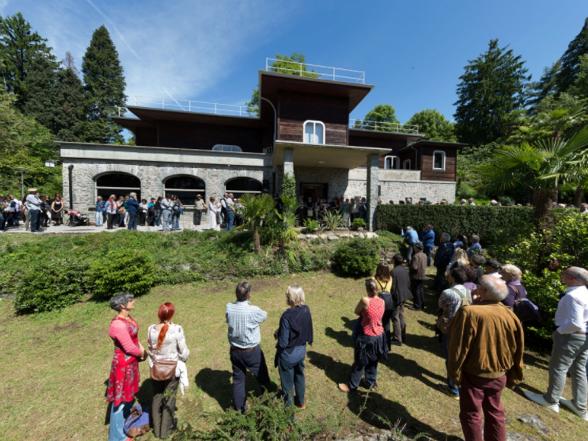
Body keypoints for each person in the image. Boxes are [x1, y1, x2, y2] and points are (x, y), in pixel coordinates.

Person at [448, 276, 525, 441]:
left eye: (478, 286)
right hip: (500, 374)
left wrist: (454, 373)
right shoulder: (510, 315)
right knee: (495, 412)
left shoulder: (470, 312)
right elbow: (519, 348)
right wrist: (514, 371)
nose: (475, 289)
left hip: (475, 373)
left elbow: (459, 347)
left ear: (484, 291)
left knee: (471, 414)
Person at [522, 267, 588, 421]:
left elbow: (575, 323)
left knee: (559, 367)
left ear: (572, 278)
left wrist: (559, 332)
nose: (562, 276)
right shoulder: (585, 293)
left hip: (571, 335)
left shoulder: (573, 296)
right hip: (584, 337)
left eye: (564, 274)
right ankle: (580, 406)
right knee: (579, 370)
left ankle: (551, 400)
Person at [106, 293, 147, 441]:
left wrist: (142, 349)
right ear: (122, 306)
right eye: (130, 300)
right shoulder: (117, 324)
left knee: (128, 397)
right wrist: (143, 353)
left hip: (132, 363)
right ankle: (117, 437)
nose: (133, 301)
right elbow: (129, 347)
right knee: (120, 402)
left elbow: (134, 339)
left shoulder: (127, 318)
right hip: (123, 365)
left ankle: (126, 426)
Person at [226, 281, 271, 412]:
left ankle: (239, 408)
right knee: (261, 374)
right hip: (251, 351)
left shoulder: (229, 307)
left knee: (238, 380)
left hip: (235, 350)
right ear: (249, 295)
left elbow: (228, 319)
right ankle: (268, 400)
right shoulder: (253, 311)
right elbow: (264, 316)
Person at [147, 302, 190, 438]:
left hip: (156, 369)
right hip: (172, 369)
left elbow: (150, 348)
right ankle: (166, 431)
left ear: (159, 314)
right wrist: (183, 358)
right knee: (169, 399)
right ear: (171, 315)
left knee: (157, 397)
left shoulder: (151, 329)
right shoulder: (177, 329)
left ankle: (157, 429)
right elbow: (183, 352)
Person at [338, 279, 387, 392]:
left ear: (367, 289)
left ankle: (352, 385)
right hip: (379, 335)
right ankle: (370, 382)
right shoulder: (382, 301)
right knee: (373, 360)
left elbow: (356, 311)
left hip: (367, 336)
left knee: (360, 361)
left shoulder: (365, 300)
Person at [275, 285, 313, 407]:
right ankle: (301, 402)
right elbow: (306, 328)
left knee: (287, 384)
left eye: (287, 295)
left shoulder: (286, 316)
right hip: (301, 351)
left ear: (290, 298)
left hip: (288, 356)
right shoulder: (306, 309)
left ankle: (289, 412)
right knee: (300, 375)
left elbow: (283, 342)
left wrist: (278, 336)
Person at [437, 266, 472, 398]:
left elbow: (440, 305)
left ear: (453, 277)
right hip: (463, 327)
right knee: (460, 356)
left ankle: (453, 388)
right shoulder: (468, 291)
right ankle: (459, 382)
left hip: (449, 327)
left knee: (450, 357)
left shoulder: (448, 292)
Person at [391, 253, 412, 345]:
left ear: (394, 260)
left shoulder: (393, 272)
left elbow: (392, 286)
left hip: (397, 297)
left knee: (395, 317)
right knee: (401, 315)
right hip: (404, 296)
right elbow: (408, 283)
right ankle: (403, 335)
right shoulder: (405, 270)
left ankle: (397, 338)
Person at [372, 262, 393, 348]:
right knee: (387, 324)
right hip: (389, 304)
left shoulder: (374, 279)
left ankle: (378, 344)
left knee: (377, 324)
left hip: (379, 304)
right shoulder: (390, 278)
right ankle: (387, 344)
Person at [410, 242, 428, 310]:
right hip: (422, 275)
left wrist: (410, 266)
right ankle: (422, 304)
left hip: (416, 276)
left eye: (414, 247)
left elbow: (414, 267)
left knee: (416, 291)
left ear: (417, 248)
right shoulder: (425, 255)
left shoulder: (416, 256)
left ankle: (417, 305)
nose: (414, 248)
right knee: (420, 290)